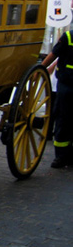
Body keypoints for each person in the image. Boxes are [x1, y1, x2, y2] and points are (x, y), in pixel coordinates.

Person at [41, 36, 73, 168]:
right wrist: (42, 69)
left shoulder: (69, 36)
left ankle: (61, 157)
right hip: (66, 84)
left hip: (66, 83)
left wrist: (41, 69)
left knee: (62, 120)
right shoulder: (69, 37)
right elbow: (54, 55)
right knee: (62, 119)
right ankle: (61, 156)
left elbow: (54, 55)